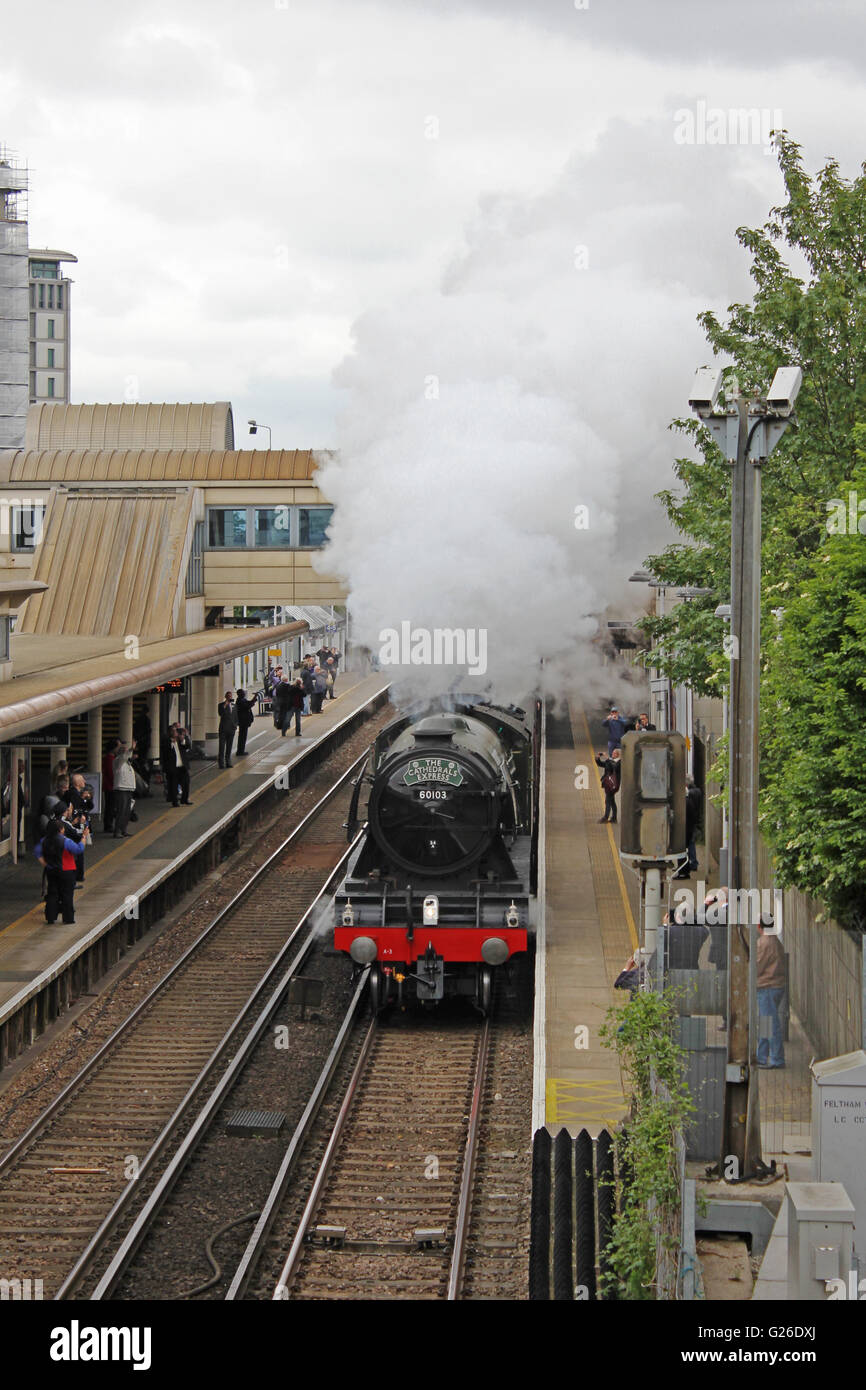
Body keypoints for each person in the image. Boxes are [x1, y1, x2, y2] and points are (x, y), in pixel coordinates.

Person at [34, 808, 84, 924]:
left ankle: (50, 917)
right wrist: (83, 839)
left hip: (51, 870)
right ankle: (68, 918)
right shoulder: (65, 841)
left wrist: (45, 863)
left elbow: (37, 852)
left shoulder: (44, 841)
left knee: (52, 893)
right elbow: (78, 850)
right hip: (67, 870)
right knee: (67, 894)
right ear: (61, 830)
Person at [756, 919, 786, 1068]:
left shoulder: (764, 943)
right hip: (775, 985)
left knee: (770, 1024)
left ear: (759, 926)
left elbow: (757, 965)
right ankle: (761, 1057)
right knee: (766, 1022)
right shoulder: (775, 940)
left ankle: (776, 1059)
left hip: (767, 986)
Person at [666, 903, 710, 970]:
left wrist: (665, 925)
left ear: (678, 915)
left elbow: (662, 940)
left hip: (673, 972)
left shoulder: (670, 931)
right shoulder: (700, 932)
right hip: (692, 971)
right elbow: (704, 929)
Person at [161, 723, 193, 806]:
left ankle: (184, 799)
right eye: (174, 731)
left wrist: (183, 740)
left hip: (182, 766)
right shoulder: (166, 741)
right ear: (170, 733)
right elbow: (165, 752)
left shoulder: (180, 740)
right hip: (173, 768)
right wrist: (172, 742)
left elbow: (188, 746)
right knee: (173, 786)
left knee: (186, 783)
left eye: (176, 731)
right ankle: (175, 802)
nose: (176, 733)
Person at [112, 741, 137, 837]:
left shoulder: (127, 763)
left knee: (127, 811)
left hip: (128, 788)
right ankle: (117, 830)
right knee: (121, 810)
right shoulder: (118, 761)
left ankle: (123, 829)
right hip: (121, 788)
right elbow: (123, 757)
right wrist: (131, 749)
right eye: (125, 752)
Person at [595, 747, 622, 823]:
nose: (612, 754)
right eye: (612, 752)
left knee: (608, 800)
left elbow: (614, 767)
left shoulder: (619, 762)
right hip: (608, 783)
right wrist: (597, 759)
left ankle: (605, 817)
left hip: (614, 784)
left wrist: (608, 758)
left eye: (615, 753)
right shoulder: (610, 761)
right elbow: (602, 764)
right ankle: (614, 818)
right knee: (612, 801)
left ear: (618, 755)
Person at [102, 739, 119, 834]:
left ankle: (109, 824)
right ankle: (108, 825)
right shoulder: (110, 759)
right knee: (110, 807)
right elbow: (111, 773)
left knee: (111, 806)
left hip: (110, 785)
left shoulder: (110, 758)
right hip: (110, 786)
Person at [235, 688, 258, 756]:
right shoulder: (240, 701)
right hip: (243, 721)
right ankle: (240, 751)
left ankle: (241, 750)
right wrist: (255, 697)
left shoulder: (242, 700)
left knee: (242, 736)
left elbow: (249, 703)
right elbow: (248, 705)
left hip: (244, 721)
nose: (244, 693)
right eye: (243, 693)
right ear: (240, 694)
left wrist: (255, 697)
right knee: (242, 737)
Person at [217, 691, 238, 768]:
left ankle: (228, 762)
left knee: (229, 747)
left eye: (230, 696)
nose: (229, 697)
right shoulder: (221, 705)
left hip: (231, 729)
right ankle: (221, 763)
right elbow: (220, 713)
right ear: (225, 697)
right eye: (228, 696)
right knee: (222, 747)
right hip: (223, 729)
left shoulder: (234, 706)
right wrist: (225, 705)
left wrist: (235, 725)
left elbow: (236, 716)